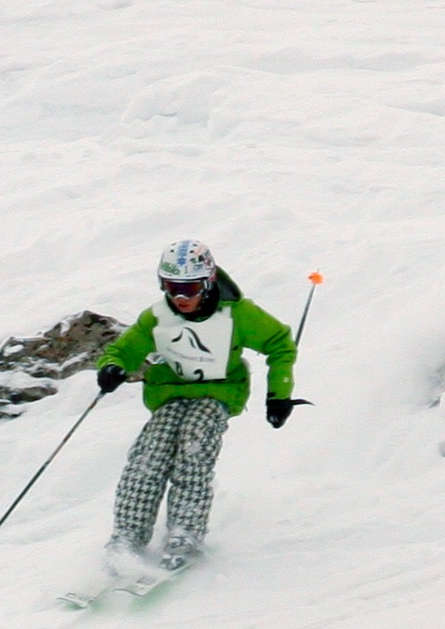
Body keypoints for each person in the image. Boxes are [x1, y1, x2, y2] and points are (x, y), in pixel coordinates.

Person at [93, 238, 297, 574]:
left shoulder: (237, 314)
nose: (181, 298)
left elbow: (280, 343)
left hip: (218, 392)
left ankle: (185, 532)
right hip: (169, 392)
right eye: (173, 287)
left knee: (194, 445)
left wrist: (279, 394)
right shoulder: (157, 317)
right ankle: (127, 536)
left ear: (208, 282)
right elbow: (122, 350)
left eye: (190, 288)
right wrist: (111, 368)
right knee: (149, 453)